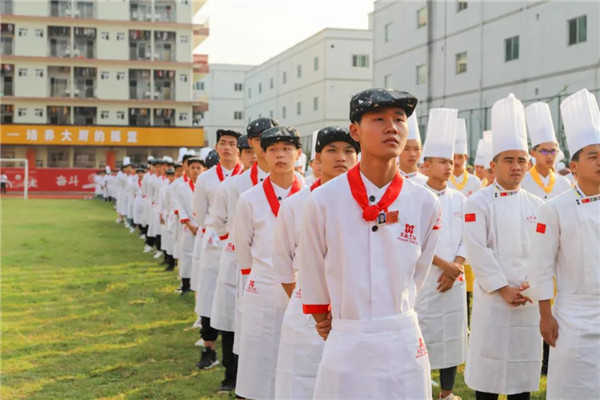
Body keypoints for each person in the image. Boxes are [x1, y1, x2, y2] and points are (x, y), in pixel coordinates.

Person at [300, 88, 441, 399]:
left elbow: (419, 271)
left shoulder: (424, 202)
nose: (392, 127)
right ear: (355, 132)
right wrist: (322, 314)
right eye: (378, 119)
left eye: (399, 119)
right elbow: (311, 263)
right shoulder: (324, 200)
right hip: (347, 334)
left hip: (401, 335)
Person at [463, 93, 543, 400]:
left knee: (522, 373)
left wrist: (530, 285)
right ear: (493, 164)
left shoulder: (538, 205)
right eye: (508, 160)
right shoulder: (477, 203)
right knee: (489, 372)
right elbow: (477, 249)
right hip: (494, 298)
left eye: (521, 160)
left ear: (528, 164)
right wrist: (502, 288)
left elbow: (543, 250)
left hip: (527, 299)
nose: (516, 166)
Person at [274, 126, 359, 399]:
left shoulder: (368, 205)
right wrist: (311, 304)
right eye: (332, 150)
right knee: (302, 381)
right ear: (317, 158)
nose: (341, 158)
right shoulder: (294, 205)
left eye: (349, 151)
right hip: (306, 312)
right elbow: (282, 264)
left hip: (355, 307)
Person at [525, 88, 600, 399]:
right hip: (572, 315)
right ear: (575, 166)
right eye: (593, 156)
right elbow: (540, 265)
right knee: (573, 386)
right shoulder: (554, 208)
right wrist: (545, 314)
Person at [233, 126, 304, 400]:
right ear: (263, 154)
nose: (280, 155)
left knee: (299, 355)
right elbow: (243, 250)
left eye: (287, 149)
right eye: (273, 150)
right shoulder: (249, 199)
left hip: (302, 287)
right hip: (263, 285)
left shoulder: (312, 194)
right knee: (260, 355)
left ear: (299, 153)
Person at [415, 108, 467, 400]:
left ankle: (447, 393)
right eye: (442, 162)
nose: (449, 166)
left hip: (453, 281)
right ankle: (421, 389)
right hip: (427, 279)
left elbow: (467, 238)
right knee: (424, 336)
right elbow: (415, 241)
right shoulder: (417, 197)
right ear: (425, 166)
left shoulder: (460, 199)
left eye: (450, 161)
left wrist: (455, 266)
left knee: (452, 338)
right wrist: (444, 265)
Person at [209, 134, 257, 393]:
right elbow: (218, 222)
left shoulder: (292, 183)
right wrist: (234, 241)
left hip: (268, 264)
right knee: (231, 320)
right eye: (249, 150)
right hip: (237, 259)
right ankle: (231, 374)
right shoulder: (231, 186)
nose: (255, 155)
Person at [193, 129, 243, 371]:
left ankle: (237, 351)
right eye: (223, 143)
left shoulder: (247, 176)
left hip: (241, 241)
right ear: (216, 148)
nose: (227, 148)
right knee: (209, 294)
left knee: (239, 295)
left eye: (232, 144)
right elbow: (199, 212)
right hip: (214, 241)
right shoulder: (206, 178)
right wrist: (213, 230)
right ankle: (209, 347)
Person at [229, 118, 279, 357]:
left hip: (291, 272)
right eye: (260, 139)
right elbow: (238, 233)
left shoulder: (300, 182)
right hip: (256, 270)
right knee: (254, 334)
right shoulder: (239, 185)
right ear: (251, 143)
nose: (268, 143)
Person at [522, 102, 572, 201]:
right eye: (544, 151)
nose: (549, 156)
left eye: (553, 151)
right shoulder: (523, 183)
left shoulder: (564, 184)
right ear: (533, 153)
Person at [448, 118, 482, 196]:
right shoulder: (444, 181)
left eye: (460, 157)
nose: (456, 161)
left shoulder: (475, 181)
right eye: (453, 157)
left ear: (466, 157)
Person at [398, 111, 428, 184]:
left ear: (421, 150)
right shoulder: (387, 180)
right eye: (407, 149)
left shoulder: (427, 184)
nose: (412, 154)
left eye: (416, 149)